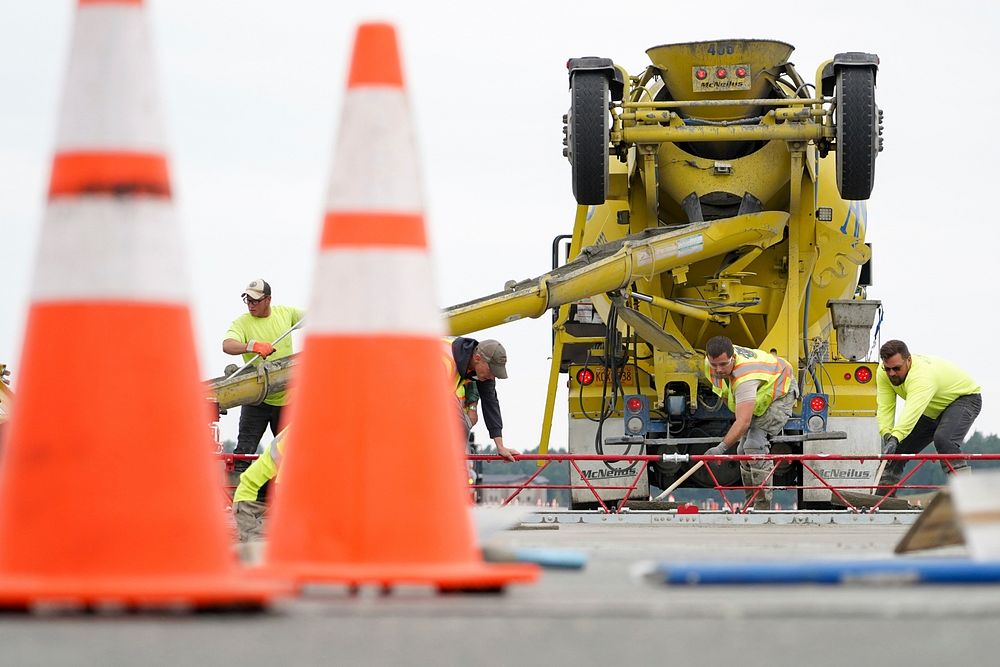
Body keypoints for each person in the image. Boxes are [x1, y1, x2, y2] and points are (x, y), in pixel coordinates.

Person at [702, 335, 798, 510]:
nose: (718, 369)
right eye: (714, 364)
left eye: (723, 364)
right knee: (742, 450)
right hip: (759, 391)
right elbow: (726, 396)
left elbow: (744, 421)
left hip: (781, 387)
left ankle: (763, 508)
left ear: (732, 358)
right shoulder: (710, 364)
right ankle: (750, 503)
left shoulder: (746, 376)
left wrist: (721, 448)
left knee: (754, 445)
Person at [222, 279, 304, 479]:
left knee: (294, 457)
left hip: (287, 401)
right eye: (247, 300)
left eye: (255, 301)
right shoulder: (242, 323)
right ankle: (241, 504)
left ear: (268, 299)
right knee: (243, 457)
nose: (251, 305)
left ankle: (283, 502)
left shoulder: (285, 314)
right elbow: (227, 345)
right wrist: (253, 346)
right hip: (256, 400)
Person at [876, 339, 980, 493]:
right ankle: (882, 500)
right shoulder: (883, 372)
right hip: (931, 408)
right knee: (897, 451)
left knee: (944, 440)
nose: (892, 374)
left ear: (909, 360)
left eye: (897, 369)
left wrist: (895, 436)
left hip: (965, 399)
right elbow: (885, 407)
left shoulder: (921, 377)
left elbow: (912, 410)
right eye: (888, 369)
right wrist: (887, 435)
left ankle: (967, 493)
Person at [446, 336, 520, 463]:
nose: (492, 377)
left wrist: (500, 446)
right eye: (491, 371)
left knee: (460, 426)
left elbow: (490, 402)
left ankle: (451, 471)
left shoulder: (477, 367)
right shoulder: (446, 361)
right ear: (477, 358)